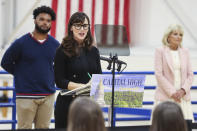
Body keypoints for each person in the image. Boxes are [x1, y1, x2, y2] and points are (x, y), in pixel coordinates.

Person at [1, 6, 60, 129]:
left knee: (44, 128)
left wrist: (51, 78)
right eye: (41, 19)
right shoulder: (21, 43)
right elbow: (5, 62)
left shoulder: (55, 45)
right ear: (35, 20)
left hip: (47, 96)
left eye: (48, 20)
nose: (45, 23)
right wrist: (21, 74)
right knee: (24, 128)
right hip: (26, 95)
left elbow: (59, 66)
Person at [54, 12, 102, 129]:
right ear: (71, 27)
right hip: (68, 104)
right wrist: (83, 87)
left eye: (85, 26)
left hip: (89, 104)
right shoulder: (62, 51)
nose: (82, 29)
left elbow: (99, 75)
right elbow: (60, 81)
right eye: (78, 25)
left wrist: (95, 84)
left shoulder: (94, 51)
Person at [154, 24, 194, 120]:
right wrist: (173, 93)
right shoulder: (160, 51)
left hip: (182, 99)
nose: (179, 37)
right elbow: (159, 75)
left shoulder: (186, 51)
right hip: (165, 98)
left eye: (181, 35)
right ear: (168, 36)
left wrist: (182, 91)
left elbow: (190, 75)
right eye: (175, 34)